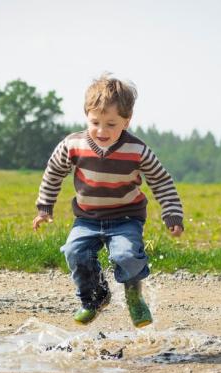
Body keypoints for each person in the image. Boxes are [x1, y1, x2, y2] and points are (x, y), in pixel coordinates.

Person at [33, 74, 184, 327]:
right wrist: (44, 207)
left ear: (127, 120)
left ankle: (134, 295)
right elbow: (53, 172)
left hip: (126, 218)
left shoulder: (138, 150)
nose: (102, 131)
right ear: (86, 115)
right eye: (95, 122)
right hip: (87, 218)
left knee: (126, 255)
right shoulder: (73, 145)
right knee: (74, 252)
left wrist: (172, 214)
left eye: (111, 124)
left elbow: (161, 181)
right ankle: (95, 297)